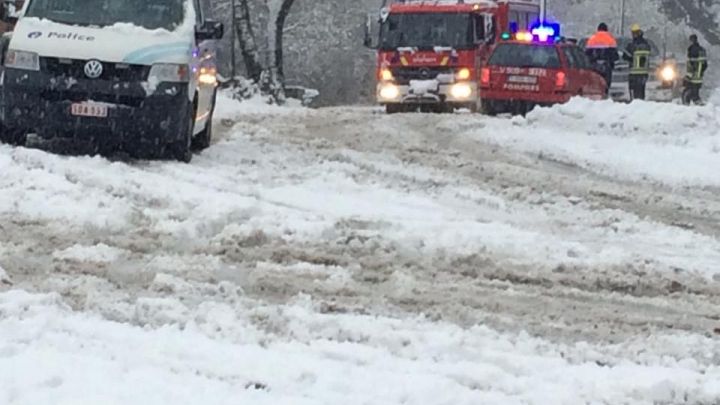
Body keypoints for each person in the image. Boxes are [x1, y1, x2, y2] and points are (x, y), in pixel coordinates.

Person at [585, 22, 618, 93]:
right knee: (606, 84)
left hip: (594, 66)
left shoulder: (592, 39)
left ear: (598, 29)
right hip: (606, 66)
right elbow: (615, 56)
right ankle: (605, 94)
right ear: (606, 30)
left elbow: (586, 55)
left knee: (595, 84)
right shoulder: (610, 39)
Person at [623, 24, 652, 100]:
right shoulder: (646, 44)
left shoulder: (632, 45)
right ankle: (641, 103)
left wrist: (629, 59)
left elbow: (625, 56)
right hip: (644, 72)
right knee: (641, 91)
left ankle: (635, 104)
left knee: (634, 92)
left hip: (634, 72)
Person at [684, 34, 708, 105]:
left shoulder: (692, 49)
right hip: (699, 73)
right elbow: (705, 64)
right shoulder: (702, 49)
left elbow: (691, 63)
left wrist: (690, 73)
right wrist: (701, 72)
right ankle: (696, 99)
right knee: (696, 87)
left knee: (693, 87)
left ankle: (695, 100)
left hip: (694, 73)